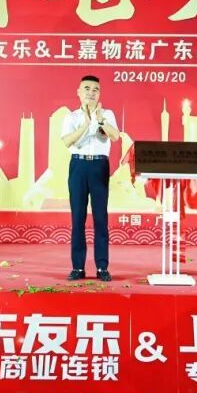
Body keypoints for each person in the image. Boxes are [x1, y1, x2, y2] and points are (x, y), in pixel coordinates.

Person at [60, 75, 120, 281]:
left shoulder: (107, 114)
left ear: (99, 94)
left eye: (96, 90)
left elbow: (115, 136)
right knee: (78, 218)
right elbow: (67, 142)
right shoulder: (71, 117)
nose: (91, 93)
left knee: (100, 218)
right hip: (78, 166)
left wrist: (100, 120)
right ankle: (78, 267)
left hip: (99, 166)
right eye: (87, 88)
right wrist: (85, 124)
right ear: (79, 92)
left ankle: (102, 267)